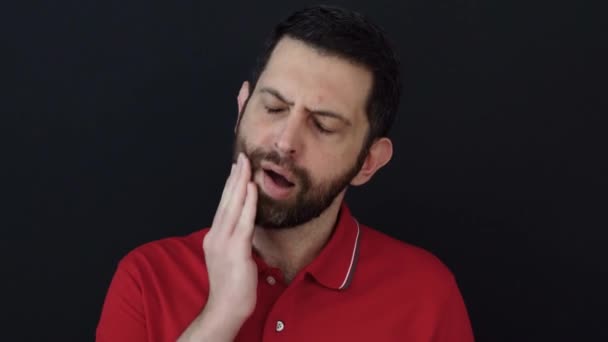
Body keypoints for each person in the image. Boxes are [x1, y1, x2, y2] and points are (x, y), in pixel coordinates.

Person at [96, 5, 474, 342]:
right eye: (274, 107)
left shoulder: (426, 295)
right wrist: (220, 316)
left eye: (323, 126)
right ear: (242, 107)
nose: (285, 142)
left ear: (368, 162)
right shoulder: (146, 279)